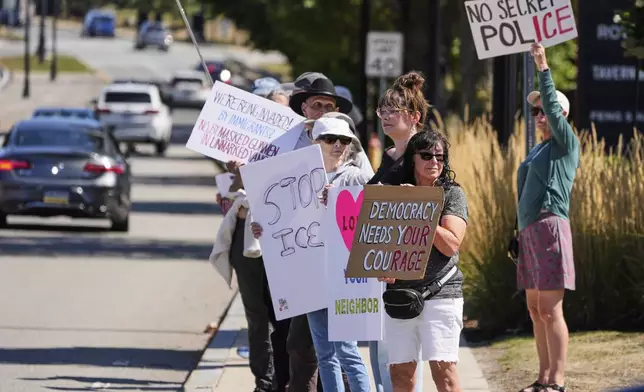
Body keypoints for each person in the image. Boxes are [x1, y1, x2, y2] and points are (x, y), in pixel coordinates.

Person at [251, 117, 372, 392]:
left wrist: (340, 198)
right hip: (311, 276)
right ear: (315, 143)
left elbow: (373, 214)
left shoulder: (357, 176)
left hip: (345, 277)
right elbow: (278, 219)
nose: (339, 145)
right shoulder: (295, 178)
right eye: (331, 140)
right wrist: (261, 228)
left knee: (347, 351)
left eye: (344, 141)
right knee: (324, 353)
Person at [210, 79, 292, 392]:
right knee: (256, 314)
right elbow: (230, 194)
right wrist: (238, 174)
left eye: (285, 112)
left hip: (285, 237)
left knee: (284, 312)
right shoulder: (244, 148)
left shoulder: (301, 145)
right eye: (273, 111)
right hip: (248, 237)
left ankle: (284, 377)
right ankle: (265, 379)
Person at [378, 130, 468, 392]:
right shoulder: (392, 192)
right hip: (400, 294)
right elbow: (379, 241)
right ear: (412, 159)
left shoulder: (451, 194)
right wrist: (382, 268)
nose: (434, 162)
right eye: (427, 155)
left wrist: (419, 207)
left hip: (441, 294)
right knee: (401, 375)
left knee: (445, 375)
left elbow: (451, 244)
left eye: (440, 157)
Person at [516, 43, 580, 392]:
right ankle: (542, 377)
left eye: (545, 111)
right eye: (535, 112)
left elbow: (555, 112)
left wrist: (543, 66)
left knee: (551, 309)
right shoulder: (539, 149)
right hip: (530, 231)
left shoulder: (565, 143)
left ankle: (557, 381)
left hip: (550, 226)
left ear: (559, 116)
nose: (540, 116)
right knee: (536, 309)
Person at [366, 71, 430, 392]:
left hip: (410, 271)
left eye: (394, 111)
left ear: (414, 116)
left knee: (402, 360)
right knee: (382, 357)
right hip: (383, 267)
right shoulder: (389, 156)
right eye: (383, 111)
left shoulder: (425, 154)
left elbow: (438, 202)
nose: (386, 118)